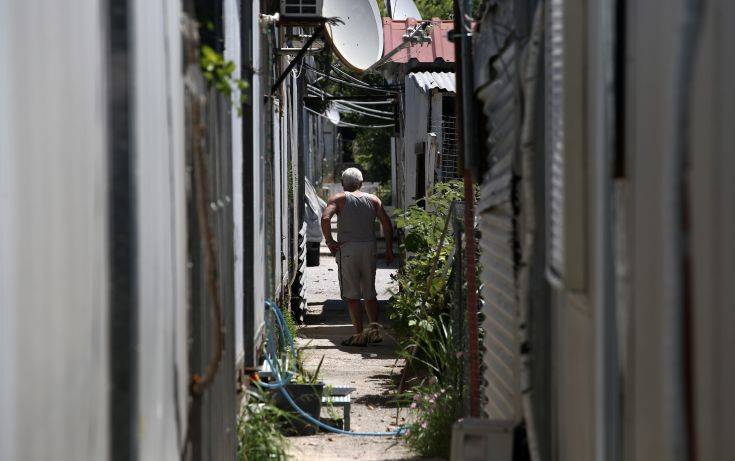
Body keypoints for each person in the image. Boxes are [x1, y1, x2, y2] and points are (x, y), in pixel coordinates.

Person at [321, 167, 394, 347]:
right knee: (369, 292)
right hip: (369, 248)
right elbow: (386, 222)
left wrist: (330, 242)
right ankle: (375, 332)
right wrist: (389, 249)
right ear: (361, 183)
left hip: (348, 249)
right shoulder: (374, 200)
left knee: (352, 295)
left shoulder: (338, 199)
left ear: (343, 183)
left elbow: (325, 218)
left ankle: (359, 335)